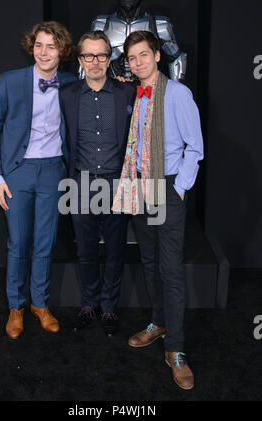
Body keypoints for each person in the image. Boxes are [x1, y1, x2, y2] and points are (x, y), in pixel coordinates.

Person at [113, 30, 204, 390]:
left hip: (167, 186)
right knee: (150, 261)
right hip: (139, 184)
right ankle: (158, 322)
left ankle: (177, 349)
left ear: (157, 55)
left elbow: (194, 148)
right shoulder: (134, 94)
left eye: (143, 55)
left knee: (170, 268)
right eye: (132, 58)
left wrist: (179, 188)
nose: (138, 63)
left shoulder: (178, 94)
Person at [0, 21, 77, 340]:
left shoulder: (70, 83)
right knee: (19, 243)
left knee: (46, 243)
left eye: (51, 46)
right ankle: (16, 307)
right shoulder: (9, 81)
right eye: (38, 45)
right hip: (17, 172)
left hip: (53, 171)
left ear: (61, 51)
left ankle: (40, 304)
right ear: (31, 47)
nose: (43, 52)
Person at [60, 30, 135, 337]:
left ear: (109, 58)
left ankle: (109, 309)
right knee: (86, 250)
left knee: (116, 250)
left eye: (101, 55)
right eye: (88, 55)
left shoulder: (126, 92)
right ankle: (89, 304)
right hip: (80, 182)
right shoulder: (67, 95)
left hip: (118, 182)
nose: (95, 62)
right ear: (80, 60)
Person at [90, 0, 187, 81]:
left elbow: (176, 58)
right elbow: (87, 58)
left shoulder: (160, 25)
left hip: (147, 88)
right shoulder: (101, 25)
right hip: (112, 88)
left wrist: (175, 88)